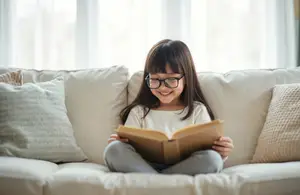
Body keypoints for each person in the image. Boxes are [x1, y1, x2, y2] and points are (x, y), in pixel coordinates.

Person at [103, 39, 234, 176]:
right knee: (113, 150)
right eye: (155, 79)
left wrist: (221, 151)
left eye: (171, 79)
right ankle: (164, 183)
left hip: (185, 166)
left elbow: (209, 152)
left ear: (186, 78)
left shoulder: (197, 110)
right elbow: (126, 147)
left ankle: (154, 182)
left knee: (212, 160)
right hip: (143, 165)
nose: (163, 87)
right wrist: (119, 143)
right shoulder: (139, 111)